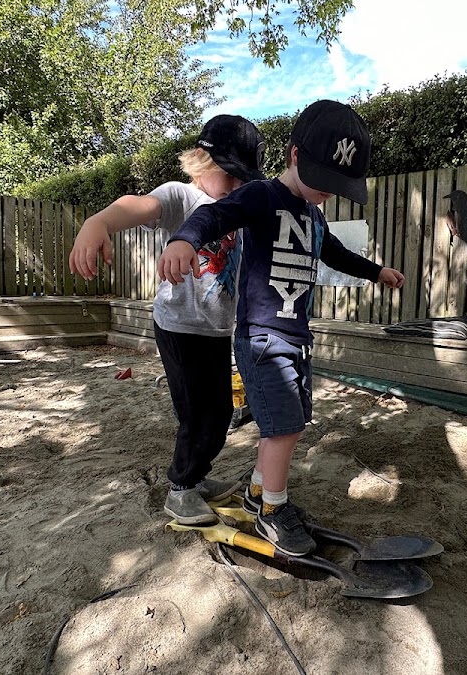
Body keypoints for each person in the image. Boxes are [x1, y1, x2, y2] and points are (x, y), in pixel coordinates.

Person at [158, 100, 405, 556]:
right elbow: (214, 216)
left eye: (338, 185)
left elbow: (333, 252)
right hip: (262, 338)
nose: (328, 192)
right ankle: (272, 510)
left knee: (292, 421)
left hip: (296, 338)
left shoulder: (313, 214)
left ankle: (258, 491)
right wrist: (184, 239)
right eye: (322, 179)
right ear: (294, 156)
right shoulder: (261, 196)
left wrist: (376, 271)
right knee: (283, 427)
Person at [69, 114, 267, 525]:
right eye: (228, 174)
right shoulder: (183, 196)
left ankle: (195, 479)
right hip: (179, 326)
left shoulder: (238, 208)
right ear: (201, 162)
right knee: (198, 414)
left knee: (219, 412)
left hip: (216, 329)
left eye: (243, 178)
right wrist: (98, 221)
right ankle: (180, 490)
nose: (235, 185)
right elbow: (139, 205)